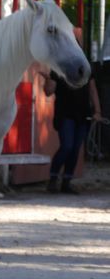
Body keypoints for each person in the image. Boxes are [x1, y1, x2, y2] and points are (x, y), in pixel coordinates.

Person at [42, 59, 101, 195]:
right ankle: (53, 178)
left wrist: (97, 111)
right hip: (65, 114)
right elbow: (48, 91)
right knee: (67, 146)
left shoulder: (86, 67)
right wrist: (48, 81)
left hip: (83, 114)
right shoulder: (58, 68)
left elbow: (92, 90)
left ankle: (66, 182)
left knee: (75, 149)